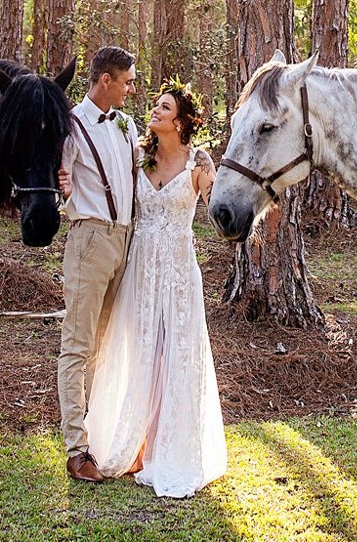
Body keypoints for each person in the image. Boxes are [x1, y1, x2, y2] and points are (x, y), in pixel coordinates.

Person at [82, 82, 228, 498]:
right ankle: (135, 442)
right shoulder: (138, 159)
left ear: (180, 121)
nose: (155, 111)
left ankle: (169, 448)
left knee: (175, 354)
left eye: (164, 107)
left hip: (180, 272)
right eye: (156, 106)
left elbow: (218, 212)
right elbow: (104, 179)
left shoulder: (198, 162)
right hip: (141, 268)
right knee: (138, 347)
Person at [57, 45, 139, 484]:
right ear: (104, 80)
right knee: (79, 345)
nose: (130, 89)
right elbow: (60, 177)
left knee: (107, 348)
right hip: (89, 239)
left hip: (125, 241)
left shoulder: (126, 125)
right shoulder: (72, 123)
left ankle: (101, 435)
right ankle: (76, 448)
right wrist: (61, 181)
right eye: (126, 81)